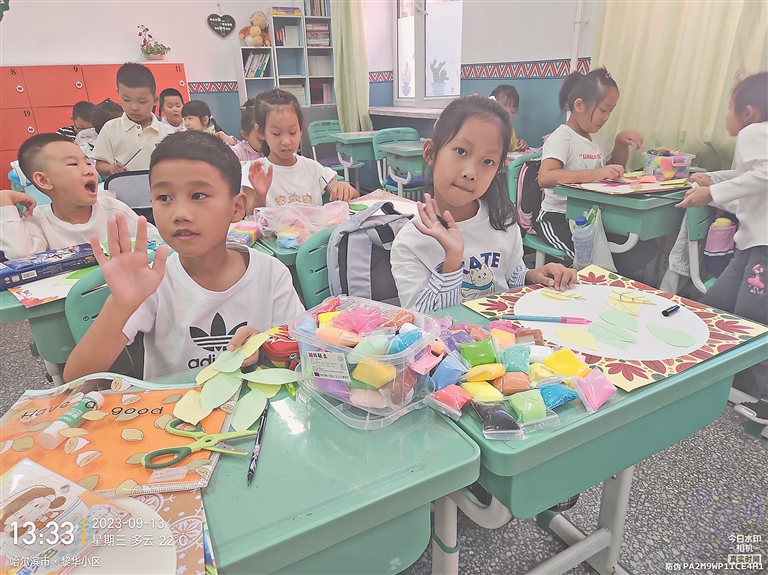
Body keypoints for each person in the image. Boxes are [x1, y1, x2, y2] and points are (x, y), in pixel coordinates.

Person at [62, 131, 305, 382]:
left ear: (236, 207)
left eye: (198, 196)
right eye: (164, 198)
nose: (180, 214)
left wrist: (265, 347)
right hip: (173, 405)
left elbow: (302, 351)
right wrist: (119, 306)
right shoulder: (152, 282)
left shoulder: (271, 273)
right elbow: (76, 379)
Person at [390, 95, 576, 312]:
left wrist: (531, 276)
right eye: (461, 151)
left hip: (502, 330)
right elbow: (423, 320)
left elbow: (509, 278)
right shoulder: (410, 242)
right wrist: (452, 260)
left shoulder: (502, 219)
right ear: (431, 153)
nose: (470, 173)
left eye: (488, 161)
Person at [676, 71, 768, 425]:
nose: (727, 117)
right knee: (716, 305)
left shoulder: (753, 132)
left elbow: (763, 174)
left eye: (729, 108)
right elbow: (750, 175)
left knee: (753, 321)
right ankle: (702, 369)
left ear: (747, 112)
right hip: (751, 246)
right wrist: (713, 179)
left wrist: (712, 192)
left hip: (763, 249)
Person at [535, 68, 655, 279]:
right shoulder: (563, 137)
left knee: (644, 248)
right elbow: (545, 177)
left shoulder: (596, 139)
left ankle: (604, 284)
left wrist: (620, 142)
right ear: (579, 105)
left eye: (611, 111)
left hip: (590, 218)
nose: (606, 118)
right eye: (603, 110)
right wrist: (596, 173)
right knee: (599, 262)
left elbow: (614, 167)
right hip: (558, 218)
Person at [0, 133, 159, 260]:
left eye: (88, 163)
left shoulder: (115, 210)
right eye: (73, 164)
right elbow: (20, 256)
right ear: (43, 180)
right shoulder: (37, 222)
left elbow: (156, 242)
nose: (89, 171)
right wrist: (5, 201)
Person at [244, 89, 359, 206]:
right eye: (276, 133)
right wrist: (260, 195)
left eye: (292, 132)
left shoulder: (313, 168)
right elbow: (249, 214)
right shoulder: (255, 172)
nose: (286, 141)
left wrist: (342, 188)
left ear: (300, 129)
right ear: (260, 132)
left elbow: (351, 194)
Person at [92, 63, 175, 177]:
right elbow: (100, 164)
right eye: (126, 100)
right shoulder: (110, 128)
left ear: (155, 100)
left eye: (142, 102)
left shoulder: (167, 132)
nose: (134, 107)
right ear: (118, 94)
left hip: (158, 186)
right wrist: (112, 168)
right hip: (125, 186)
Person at [490, 85, 528, 152]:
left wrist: (520, 146)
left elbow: (513, 152)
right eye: (505, 110)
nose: (509, 115)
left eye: (513, 112)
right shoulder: (487, 128)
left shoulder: (511, 130)